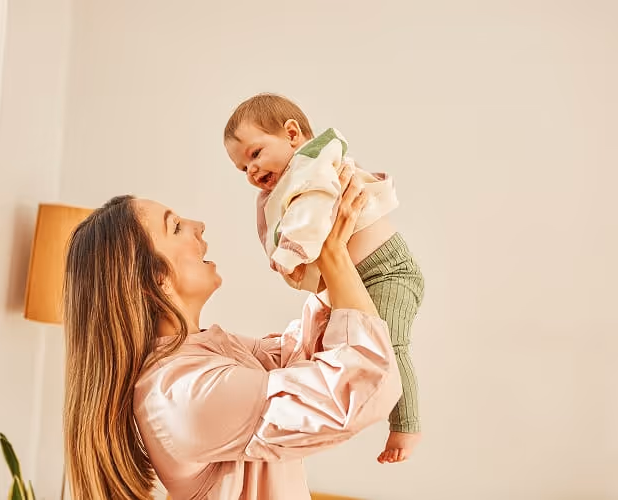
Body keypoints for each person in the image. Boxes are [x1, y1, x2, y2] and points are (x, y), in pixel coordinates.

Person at [62, 166, 403, 500]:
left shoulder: (207, 353)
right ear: (156, 281)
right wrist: (333, 257)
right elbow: (363, 386)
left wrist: (323, 270)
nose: (199, 226)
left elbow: (299, 356)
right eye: (177, 227)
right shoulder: (184, 393)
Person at [224, 93, 425, 464]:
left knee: (389, 345)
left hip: (388, 271)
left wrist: (289, 252)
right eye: (242, 169)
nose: (251, 171)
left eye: (255, 154)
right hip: (356, 279)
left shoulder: (313, 164)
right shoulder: (284, 188)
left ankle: (406, 426)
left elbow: (313, 214)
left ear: (292, 134)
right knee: (335, 355)